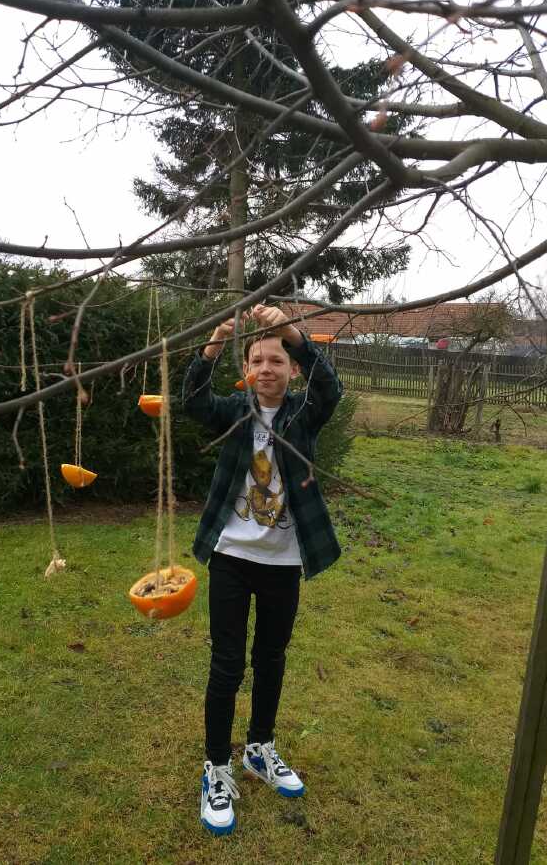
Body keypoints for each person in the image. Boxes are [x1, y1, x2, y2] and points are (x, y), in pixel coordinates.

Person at [182, 304, 343, 835]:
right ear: (246, 369)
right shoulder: (235, 411)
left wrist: (293, 333)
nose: (267, 369)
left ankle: (259, 747)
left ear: (291, 368)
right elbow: (192, 399)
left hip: (283, 561)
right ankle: (217, 767)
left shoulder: (302, 415)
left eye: (276, 360)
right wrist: (212, 343)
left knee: (271, 658)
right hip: (232, 556)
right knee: (227, 664)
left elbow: (330, 390)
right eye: (257, 361)